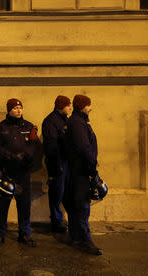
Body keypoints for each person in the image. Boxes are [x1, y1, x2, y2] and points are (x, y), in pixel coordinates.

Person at [0, 98, 40, 248]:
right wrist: (10, 156)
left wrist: (24, 155)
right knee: (2, 206)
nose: (18, 110)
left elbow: (34, 145)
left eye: (20, 107)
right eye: (15, 108)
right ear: (9, 110)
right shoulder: (0, 128)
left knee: (24, 205)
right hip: (7, 171)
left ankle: (24, 233)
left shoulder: (30, 127)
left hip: (23, 173)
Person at [64, 94, 103, 255]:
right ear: (82, 107)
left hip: (76, 170)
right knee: (82, 207)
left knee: (75, 206)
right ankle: (86, 241)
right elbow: (84, 148)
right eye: (88, 105)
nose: (91, 108)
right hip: (81, 171)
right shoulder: (78, 123)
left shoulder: (76, 121)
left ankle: (76, 238)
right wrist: (92, 169)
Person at [42, 95, 72, 233]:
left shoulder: (64, 119)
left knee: (65, 192)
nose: (70, 107)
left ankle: (63, 219)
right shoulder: (50, 121)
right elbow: (51, 144)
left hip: (66, 161)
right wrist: (56, 164)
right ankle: (56, 221)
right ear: (60, 106)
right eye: (67, 105)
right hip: (57, 161)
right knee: (56, 193)